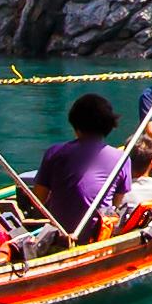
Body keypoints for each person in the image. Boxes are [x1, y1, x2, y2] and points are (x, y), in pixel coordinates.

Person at [22, 89, 133, 240]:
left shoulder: (54, 153)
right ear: (109, 126)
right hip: (98, 236)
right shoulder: (121, 158)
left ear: (75, 124)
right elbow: (115, 204)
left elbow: (38, 200)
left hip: (62, 237)